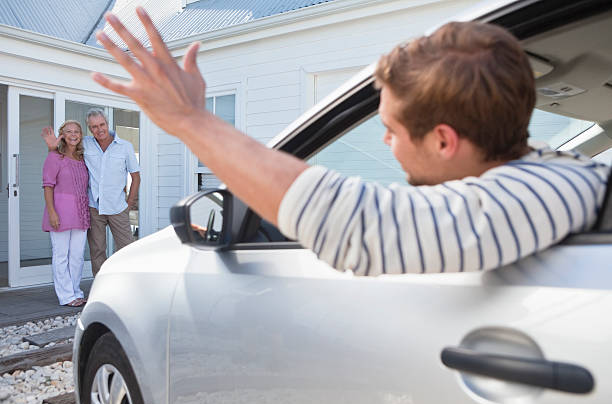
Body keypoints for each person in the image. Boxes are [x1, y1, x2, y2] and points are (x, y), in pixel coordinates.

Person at [92, 9, 610, 276]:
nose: (384, 141)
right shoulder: (549, 173)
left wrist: (190, 121)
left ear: (445, 140)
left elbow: (362, 227)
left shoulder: (546, 191)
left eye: (391, 129)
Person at [44, 109, 140, 276]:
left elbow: (136, 178)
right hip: (93, 207)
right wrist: (53, 149)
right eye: (94, 127)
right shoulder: (85, 144)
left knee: (127, 249)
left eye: (102, 124)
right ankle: (101, 289)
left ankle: (127, 285)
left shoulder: (125, 147)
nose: (99, 129)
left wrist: (129, 204)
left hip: (118, 207)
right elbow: (65, 157)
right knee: (97, 252)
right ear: (89, 128)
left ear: (107, 123)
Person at [42, 121, 89, 306]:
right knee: (61, 255)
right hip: (60, 212)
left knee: (77, 256)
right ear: (62, 135)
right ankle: (66, 296)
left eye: (76, 131)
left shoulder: (83, 159)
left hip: (80, 212)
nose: (73, 134)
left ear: (80, 135)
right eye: (68, 131)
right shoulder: (54, 157)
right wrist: (52, 212)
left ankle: (76, 292)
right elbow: (48, 186)